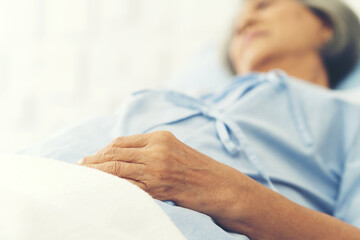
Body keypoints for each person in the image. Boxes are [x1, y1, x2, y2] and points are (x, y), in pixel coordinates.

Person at [21, 0, 360, 239]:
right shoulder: (179, 96)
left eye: (264, 5)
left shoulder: (348, 117)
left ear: (325, 26)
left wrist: (223, 190)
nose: (243, 23)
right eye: (237, 24)